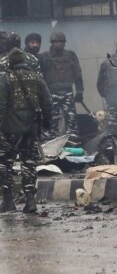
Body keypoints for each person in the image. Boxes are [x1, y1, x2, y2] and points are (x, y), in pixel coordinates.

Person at [0, 48, 52, 213]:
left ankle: (8, 201)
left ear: (10, 63)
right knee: (29, 164)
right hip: (31, 129)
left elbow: (0, 105)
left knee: (5, 164)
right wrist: (47, 124)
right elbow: (48, 103)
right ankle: (30, 201)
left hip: (9, 130)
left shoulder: (5, 79)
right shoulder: (37, 78)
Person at [39, 31, 83, 139]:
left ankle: (73, 143)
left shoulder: (71, 55)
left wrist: (79, 91)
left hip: (67, 91)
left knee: (71, 121)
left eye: (61, 42)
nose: (59, 44)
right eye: (56, 42)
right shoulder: (44, 56)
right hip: (51, 93)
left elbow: (77, 73)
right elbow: (40, 77)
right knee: (51, 121)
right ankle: (51, 144)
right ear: (51, 42)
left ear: (65, 43)